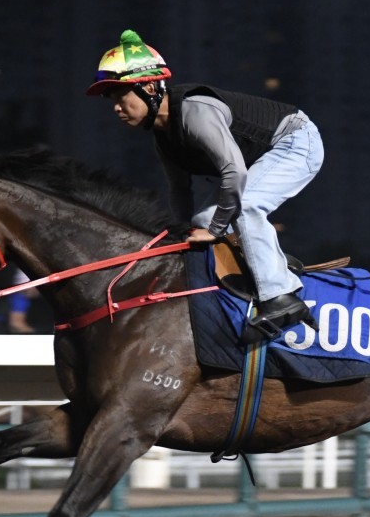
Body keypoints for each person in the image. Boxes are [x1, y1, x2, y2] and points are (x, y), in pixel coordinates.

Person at [86, 29, 324, 342]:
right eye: (111, 100)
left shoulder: (195, 112)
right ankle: (261, 269)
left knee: (244, 207)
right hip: (258, 160)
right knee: (201, 223)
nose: (116, 107)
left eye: (120, 96)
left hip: (296, 142)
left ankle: (281, 296)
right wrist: (179, 235)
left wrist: (215, 231)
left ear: (147, 86)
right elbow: (180, 192)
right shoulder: (163, 137)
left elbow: (234, 172)